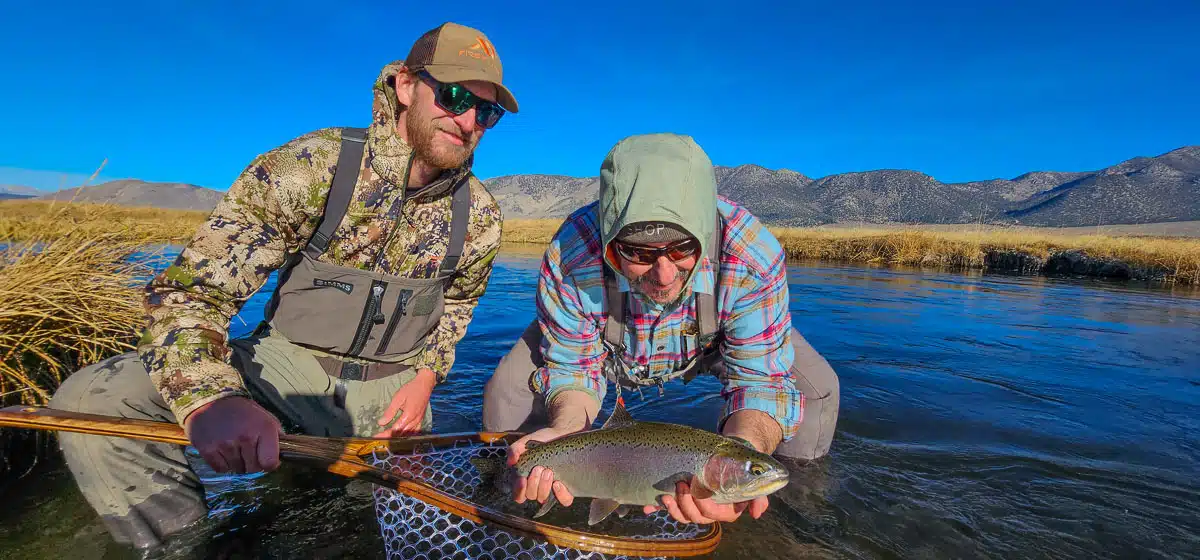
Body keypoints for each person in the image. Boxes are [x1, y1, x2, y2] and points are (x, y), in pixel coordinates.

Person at [48, 21, 518, 550]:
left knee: (357, 536)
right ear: (406, 86)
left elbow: (458, 304)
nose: (469, 121)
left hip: (394, 402)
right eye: (455, 96)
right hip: (283, 372)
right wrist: (210, 399)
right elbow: (191, 294)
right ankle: (183, 545)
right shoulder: (312, 167)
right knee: (93, 399)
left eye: (487, 111)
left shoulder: (481, 217)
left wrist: (426, 377)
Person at [481, 132, 840, 525]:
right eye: (639, 253)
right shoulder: (572, 254)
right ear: (612, 243)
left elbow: (761, 381)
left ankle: (791, 515)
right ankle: (505, 506)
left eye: (682, 249)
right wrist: (566, 429)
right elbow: (572, 367)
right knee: (508, 390)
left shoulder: (751, 256)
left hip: (714, 344)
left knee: (817, 391)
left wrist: (746, 449)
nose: (664, 275)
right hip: (604, 348)